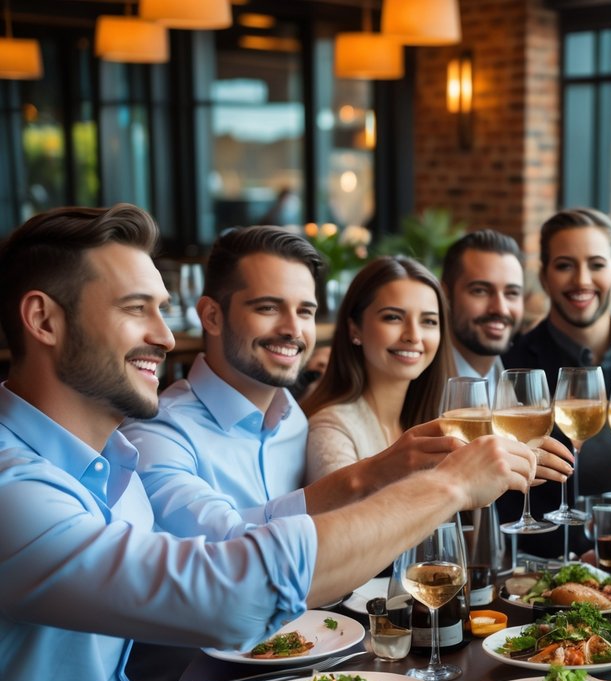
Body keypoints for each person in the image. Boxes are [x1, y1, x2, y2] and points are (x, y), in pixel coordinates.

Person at [0, 204, 534, 681]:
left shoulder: (109, 463)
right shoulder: (19, 484)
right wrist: (446, 486)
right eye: (134, 308)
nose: (166, 337)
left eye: (160, 309)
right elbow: (234, 586)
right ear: (43, 319)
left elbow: (84, 666)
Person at [122, 226, 461, 543]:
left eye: (305, 312)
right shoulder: (156, 433)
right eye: (269, 307)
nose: (293, 330)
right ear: (211, 316)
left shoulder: (296, 420)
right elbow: (230, 546)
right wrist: (369, 476)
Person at [501, 207, 611, 560]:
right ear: (544, 276)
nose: (582, 280)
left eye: (597, 265)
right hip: (552, 569)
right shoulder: (512, 366)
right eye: (564, 265)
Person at [302, 256, 456, 482]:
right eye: (393, 317)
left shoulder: (431, 420)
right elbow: (347, 516)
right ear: (355, 329)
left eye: (429, 321)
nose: (413, 336)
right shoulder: (331, 427)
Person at [440, 228, 526, 403]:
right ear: (444, 295)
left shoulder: (524, 376)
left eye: (512, 293)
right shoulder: (413, 381)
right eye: (480, 291)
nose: (500, 309)